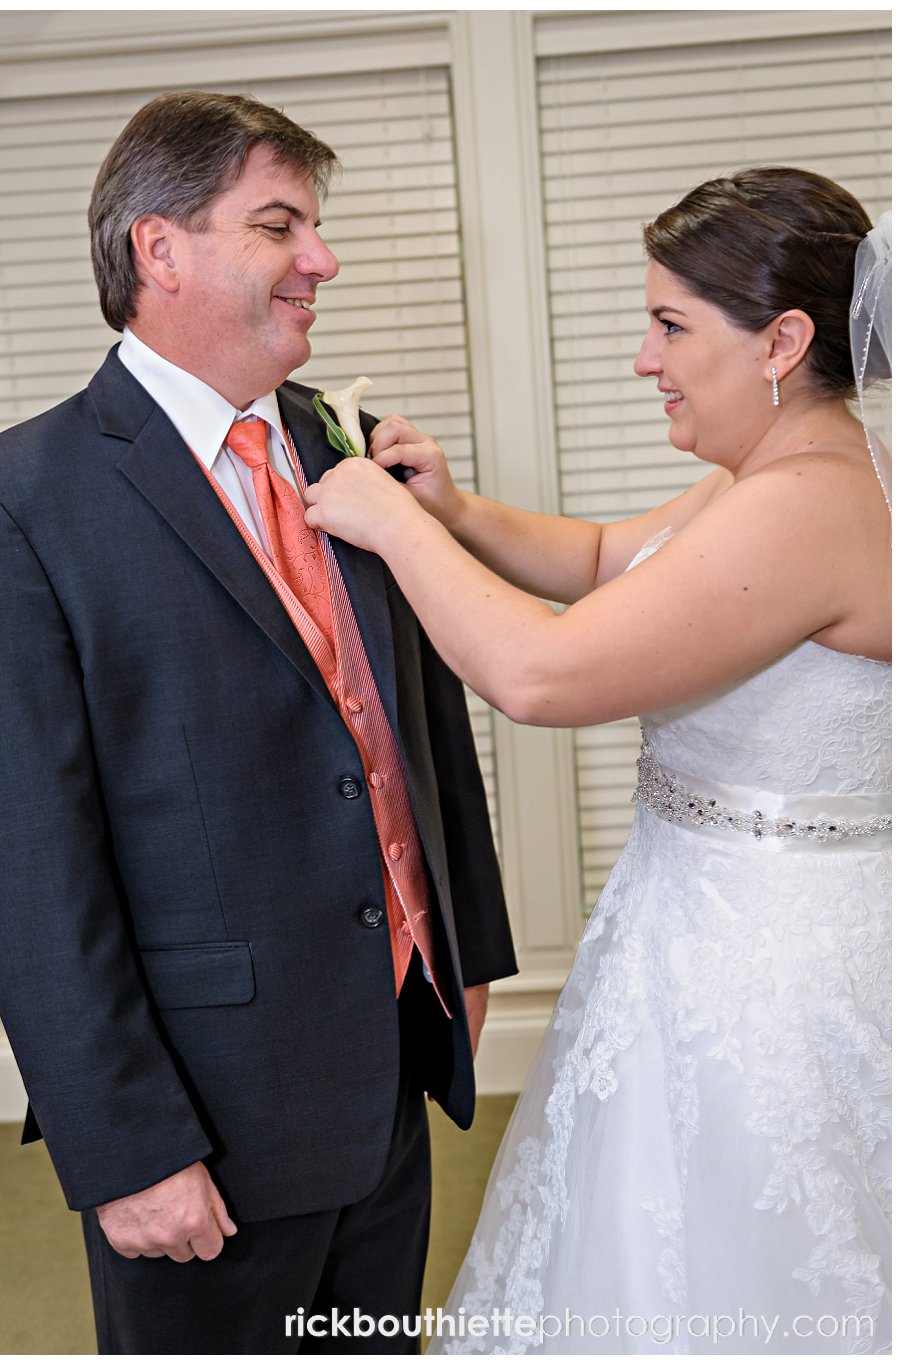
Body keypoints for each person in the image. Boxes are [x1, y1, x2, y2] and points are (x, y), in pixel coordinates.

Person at [303, 169, 891, 1352]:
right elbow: (610, 558)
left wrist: (395, 530)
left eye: (672, 326)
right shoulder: (781, 472)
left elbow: (543, 676)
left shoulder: (810, 506)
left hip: (768, 968)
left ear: (783, 338)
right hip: (695, 923)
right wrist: (458, 510)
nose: (643, 358)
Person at [0, 91, 518, 1354]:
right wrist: (125, 1144)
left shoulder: (337, 450)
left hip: (393, 1053)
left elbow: (423, 730)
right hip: (205, 1109)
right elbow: (36, 854)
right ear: (158, 250)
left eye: (316, 229)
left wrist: (465, 958)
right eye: (280, 225)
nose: (322, 261)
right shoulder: (32, 490)